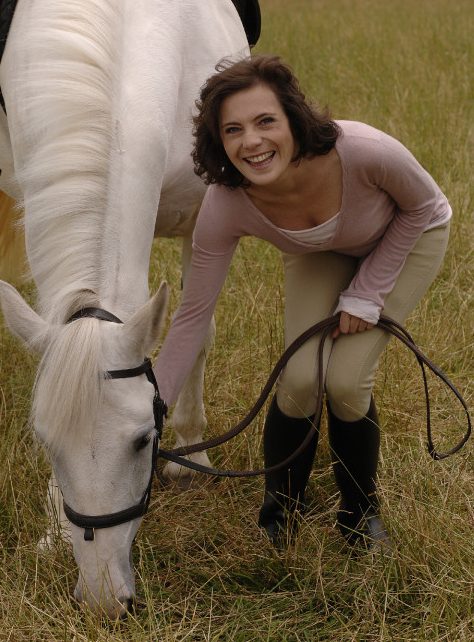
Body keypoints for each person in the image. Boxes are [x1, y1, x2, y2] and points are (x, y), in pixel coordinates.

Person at [154, 55, 451, 552]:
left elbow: (423, 206)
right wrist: (151, 409)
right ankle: (280, 512)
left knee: (346, 381)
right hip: (317, 248)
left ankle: (359, 515)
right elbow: (192, 314)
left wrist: (368, 293)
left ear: (294, 117)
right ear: (218, 141)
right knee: (299, 379)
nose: (251, 141)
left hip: (408, 236)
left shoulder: (363, 150)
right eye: (233, 129)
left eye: (265, 121)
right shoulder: (227, 202)